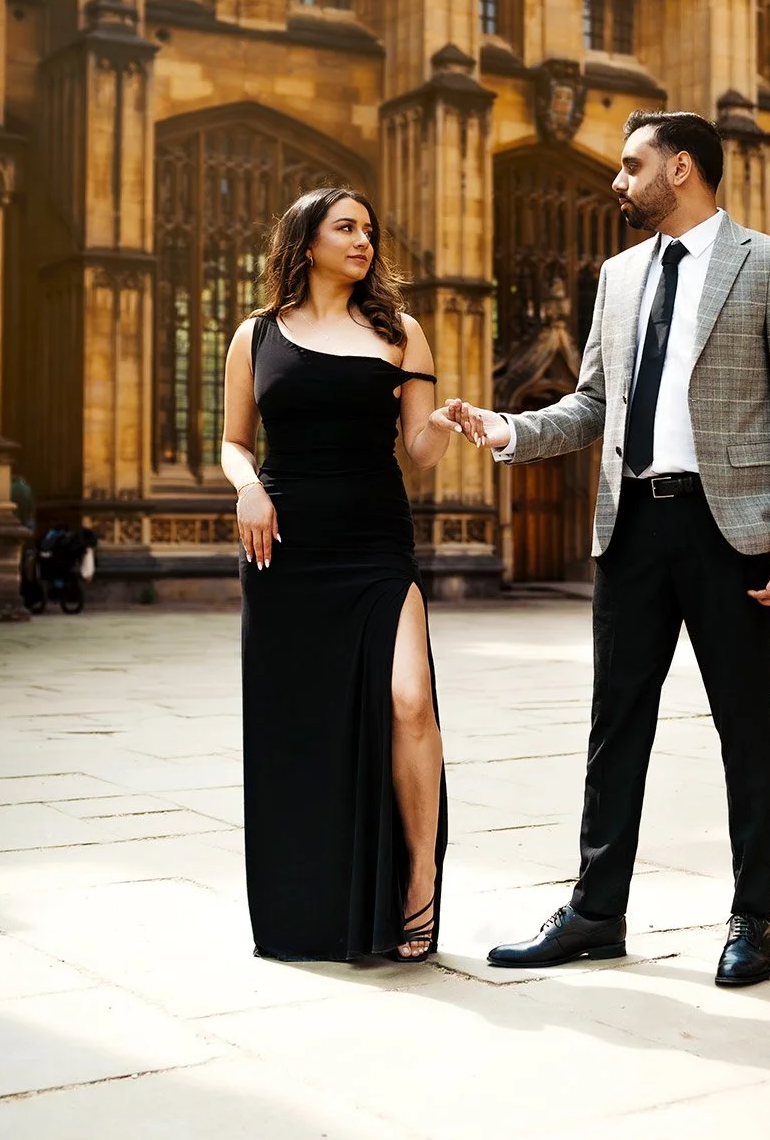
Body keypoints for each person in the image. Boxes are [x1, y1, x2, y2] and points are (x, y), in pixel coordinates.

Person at [444, 111, 770, 986]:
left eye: (632, 165)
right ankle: (594, 911)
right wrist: (504, 428)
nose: (617, 182)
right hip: (629, 528)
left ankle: (751, 917)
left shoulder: (769, 265)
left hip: (727, 530)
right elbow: (591, 408)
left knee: (744, 727)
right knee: (615, 723)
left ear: (681, 167)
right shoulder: (617, 277)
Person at [222, 187, 460, 963]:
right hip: (285, 547)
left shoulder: (401, 332)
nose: (363, 241)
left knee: (407, 700)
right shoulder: (255, 336)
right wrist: (248, 487)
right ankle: (309, 908)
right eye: (345, 228)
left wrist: (446, 427)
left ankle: (418, 878)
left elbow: (416, 455)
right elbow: (233, 441)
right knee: (301, 724)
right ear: (307, 239)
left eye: (369, 230)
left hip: (374, 542)